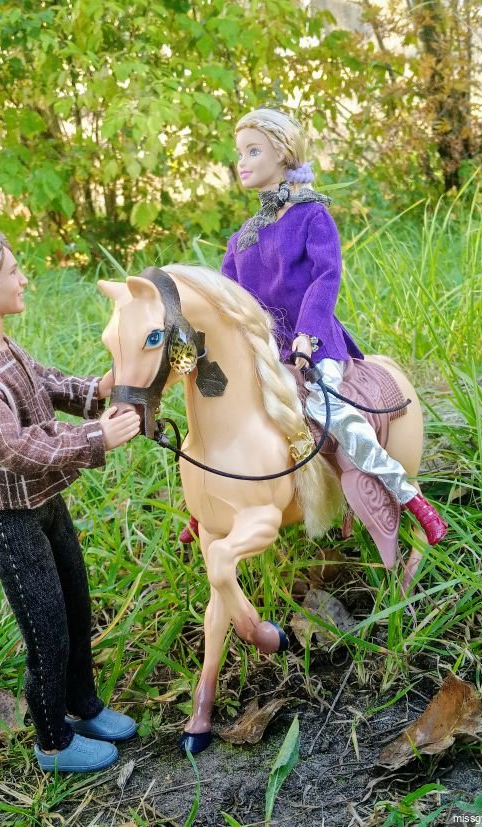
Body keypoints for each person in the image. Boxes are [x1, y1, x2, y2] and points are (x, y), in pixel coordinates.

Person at [179, 107, 446, 548]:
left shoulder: (311, 216)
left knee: (332, 414)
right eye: (239, 152)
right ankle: (205, 504)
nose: (241, 162)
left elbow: (326, 277)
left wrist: (308, 333)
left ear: (282, 154)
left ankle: (410, 497)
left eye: (253, 151)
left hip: (313, 343)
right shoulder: (243, 236)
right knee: (221, 411)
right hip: (264, 351)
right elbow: (227, 296)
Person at [0, 225, 141, 773]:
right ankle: (53, 741)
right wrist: (98, 437)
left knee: (76, 605)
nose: (23, 279)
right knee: (46, 630)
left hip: (46, 502)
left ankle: (82, 705)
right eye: (12, 272)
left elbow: (42, 382)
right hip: (13, 517)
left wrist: (96, 390)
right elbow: (16, 448)